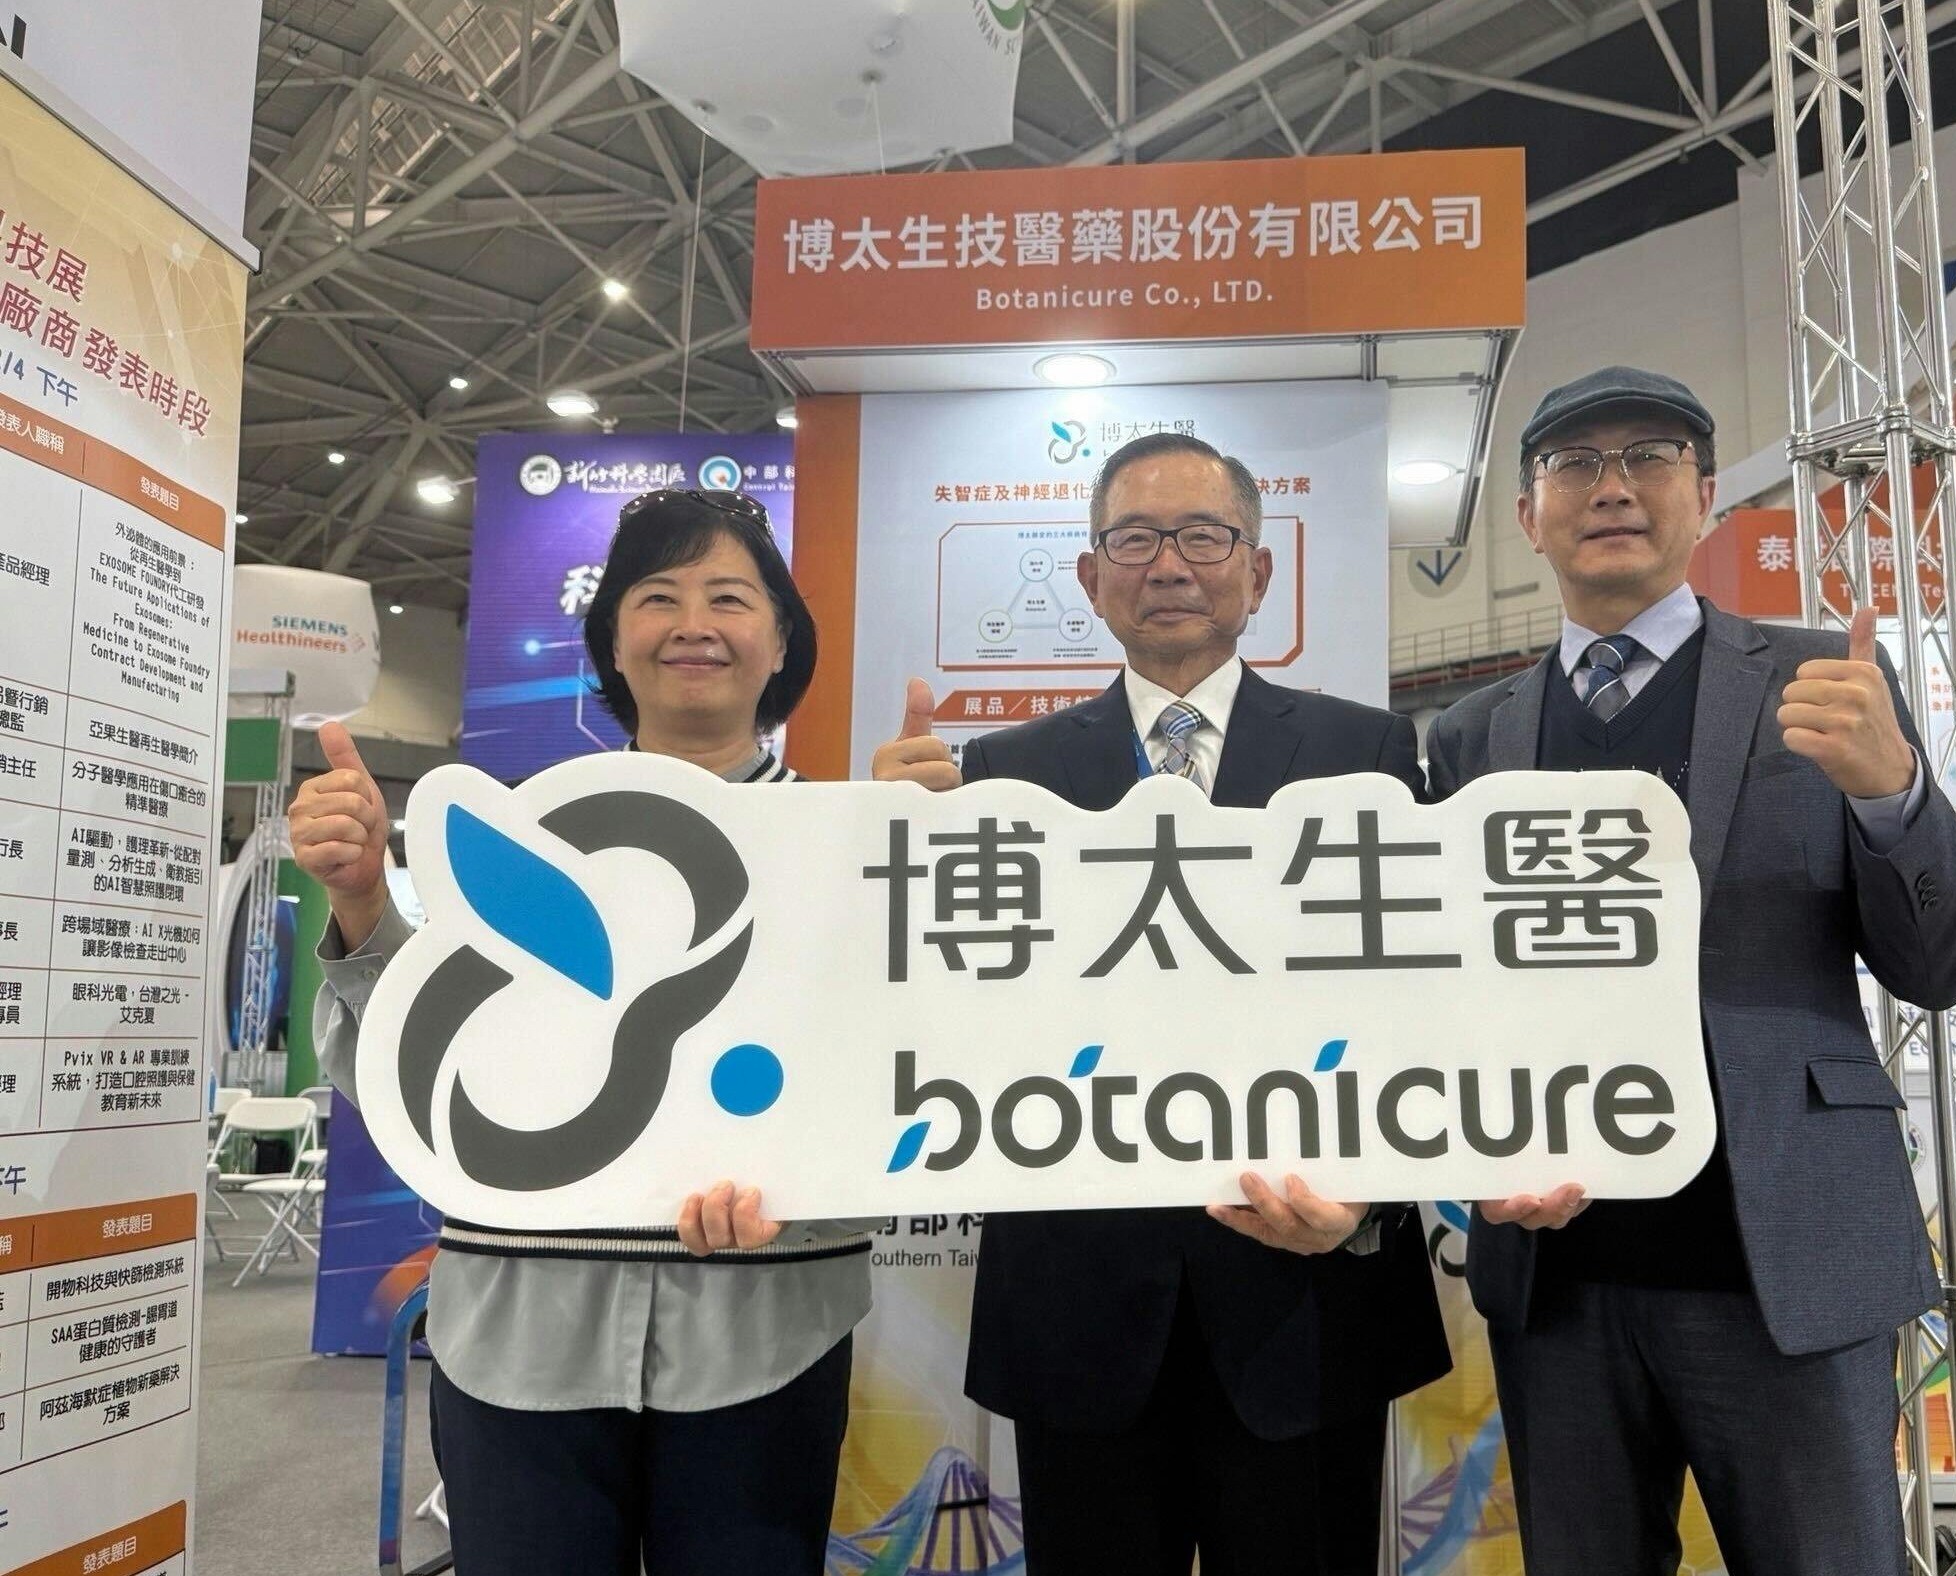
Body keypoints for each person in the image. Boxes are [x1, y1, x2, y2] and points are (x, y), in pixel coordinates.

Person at [1424, 367, 1956, 1575]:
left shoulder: (1822, 684)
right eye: (1575, 464)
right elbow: (1450, 995)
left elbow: (1938, 967)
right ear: (1528, 514)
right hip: (1560, 1276)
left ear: (1708, 496)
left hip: (1783, 1250)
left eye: (1650, 456)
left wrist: (1893, 795)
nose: (1612, 487)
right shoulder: (1472, 734)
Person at [871, 431, 1450, 1576]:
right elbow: (944, 1015)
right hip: (1078, 1307)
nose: (1171, 564)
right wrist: (885, 848)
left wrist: (1369, 1193)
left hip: (1305, 1292)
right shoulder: (998, 777)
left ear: (1258, 570)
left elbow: (1424, 1004)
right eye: (1135, 539)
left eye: (1203, 536)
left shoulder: (1368, 752)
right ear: (1092, 579)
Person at [289, 490, 873, 1576]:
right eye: (658, 596)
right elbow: (412, 1088)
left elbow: (909, 1087)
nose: (693, 624)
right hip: (522, 1331)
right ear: (611, 638)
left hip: (764, 1327)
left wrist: (809, 1182)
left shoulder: (852, 846)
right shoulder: (511, 833)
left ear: (782, 638)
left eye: (729, 598)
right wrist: (364, 900)